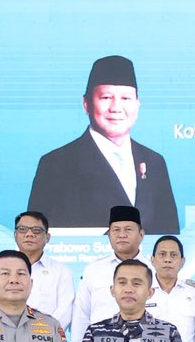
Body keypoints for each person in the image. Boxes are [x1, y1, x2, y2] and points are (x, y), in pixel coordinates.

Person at [25, 54, 180, 233]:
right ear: (86, 104)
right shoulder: (57, 163)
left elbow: (169, 234)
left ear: (137, 104)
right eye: (106, 97)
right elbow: (36, 236)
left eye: (126, 98)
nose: (116, 108)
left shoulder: (154, 162)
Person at [69, 205, 148, 342]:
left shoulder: (153, 269)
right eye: (116, 230)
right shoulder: (93, 269)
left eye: (128, 229)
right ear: (109, 235)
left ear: (141, 234)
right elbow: (81, 316)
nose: (122, 235)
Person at [13, 210, 75, 330]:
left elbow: (65, 310)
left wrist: (43, 332)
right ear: (15, 235)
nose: (29, 234)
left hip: (47, 336)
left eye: (36, 230)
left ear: (47, 237)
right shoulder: (0, 268)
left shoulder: (61, 271)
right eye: (22, 229)